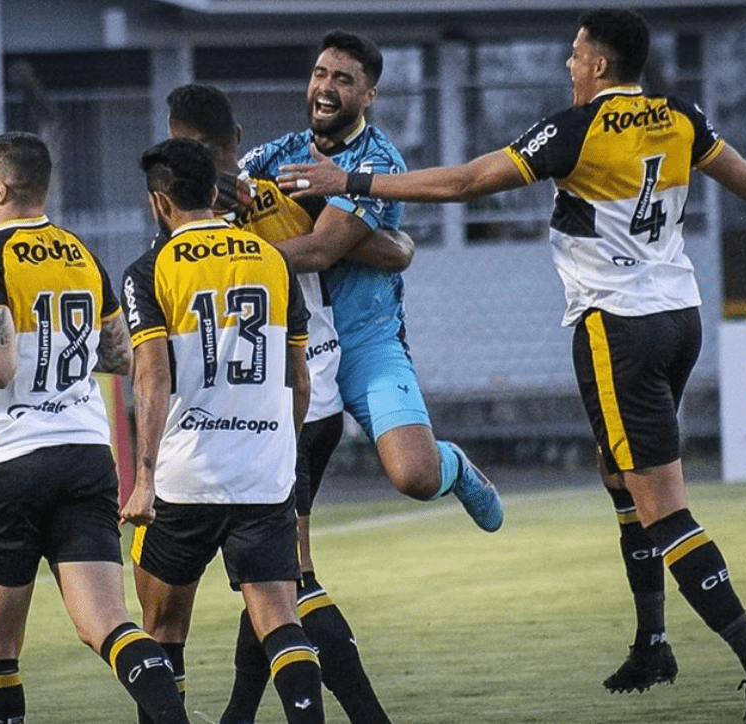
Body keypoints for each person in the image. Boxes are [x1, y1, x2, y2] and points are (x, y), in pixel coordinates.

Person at [279, 9, 746, 723]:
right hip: (681, 318)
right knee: (617, 473)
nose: (568, 64)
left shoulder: (576, 128)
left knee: (663, 507)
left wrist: (354, 181)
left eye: (576, 54)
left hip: (617, 328)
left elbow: (466, 182)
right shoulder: (681, 116)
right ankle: (652, 640)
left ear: (598, 64)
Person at [0, 131, 190, 724]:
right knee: (109, 627)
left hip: (9, 464)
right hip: (86, 456)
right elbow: (118, 356)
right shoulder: (82, 255)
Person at [167, 82, 398, 724]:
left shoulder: (186, 221)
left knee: (286, 577)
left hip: (272, 409)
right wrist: (395, 244)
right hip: (304, 396)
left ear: (181, 144)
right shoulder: (269, 195)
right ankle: (239, 715)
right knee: (266, 578)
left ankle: (369, 717)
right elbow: (373, 248)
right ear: (233, 141)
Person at [241, 29, 504, 535]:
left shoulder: (377, 162)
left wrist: (240, 259)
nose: (326, 87)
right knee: (274, 495)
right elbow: (228, 189)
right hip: (295, 342)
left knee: (415, 476)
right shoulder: (277, 154)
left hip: (366, 341)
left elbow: (320, 251)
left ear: (368, 95)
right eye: (320, 73)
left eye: (344, 79)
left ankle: (454, 464)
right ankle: (287, 593)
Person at [120, 138, 324, 724]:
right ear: (215, 193)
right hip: (264, 472)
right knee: (281, 622)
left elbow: (152, 379)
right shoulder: (274, 259)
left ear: (160, 203)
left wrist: (144, 479)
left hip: (186, 478)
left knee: (161, 630)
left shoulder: (149, 270)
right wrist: (280, 449)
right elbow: (299, 380)